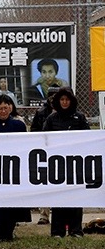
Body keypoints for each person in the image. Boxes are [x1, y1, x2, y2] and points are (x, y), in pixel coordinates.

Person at [0, 94, 31, 241]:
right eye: (0, 108)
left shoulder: (19, 125)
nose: (3, 111)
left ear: (11, 108)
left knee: (12, 202)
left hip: (13, 170)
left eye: (6, 107)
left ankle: (9, 231)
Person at [43, 87, 89, 238]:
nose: (64, 102)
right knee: (58, 197)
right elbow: (44, 139)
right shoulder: (52, 119)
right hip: (57, 164)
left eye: (67, 100)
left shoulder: (80, 118)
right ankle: (57, 231)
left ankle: (76, 230)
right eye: (62, 100)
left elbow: (88, 138)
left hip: (76, 163)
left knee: (76, 196)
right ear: (58, 101)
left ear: (71, 101)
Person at [29, 85, 60, 225]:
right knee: (45, 182)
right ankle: (44, 214)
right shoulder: (41, 112)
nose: (53, 98)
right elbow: (34, 129)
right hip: (45, 152)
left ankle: (61, 214)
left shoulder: (66, 111)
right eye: (51, 96)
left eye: (56, 96)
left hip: (62, 152)